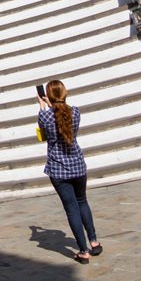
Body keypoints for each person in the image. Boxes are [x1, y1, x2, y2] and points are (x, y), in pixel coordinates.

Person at [38, 79, 102, 263]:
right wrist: (52, 105)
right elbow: (64, 121)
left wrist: (43, 106)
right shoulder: (75, 112)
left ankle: (83, 251)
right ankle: (94, 242)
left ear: (48, 96)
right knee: (82, 202)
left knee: (71, 209)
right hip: (78, 165)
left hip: (59, 169)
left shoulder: (45, 116)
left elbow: (44, 132)